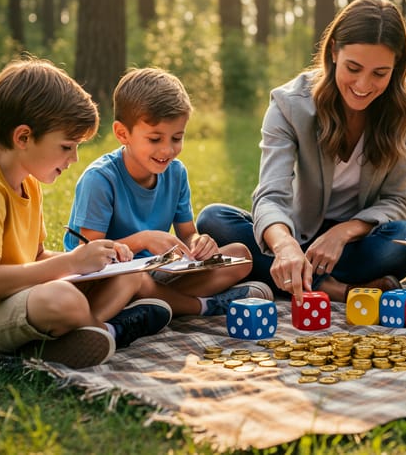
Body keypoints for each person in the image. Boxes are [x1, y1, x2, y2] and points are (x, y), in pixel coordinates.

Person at [0, 58, 172, 370]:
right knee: (62, 299)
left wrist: (94, 258)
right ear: (23, 137)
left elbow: (35, 256)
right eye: (67, 146)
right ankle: (109, 329)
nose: (75, 158)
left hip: (14, 299)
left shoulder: (27, 182)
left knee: (128, 273)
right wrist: (70, 263)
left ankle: (76, 336)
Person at [196, 0, 406, 303]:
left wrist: (342, 233)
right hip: (298, 234)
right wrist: (284, 245)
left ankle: (291, 278)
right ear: (333, 52)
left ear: (396, 67)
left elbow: (399, 199)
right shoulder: (290, 104)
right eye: (353, 68)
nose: (363, 84)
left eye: (379, 73)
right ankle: (337, 289)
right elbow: (270, 196)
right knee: (214, 220)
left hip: (358, 242)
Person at [64, 67, 272, 317]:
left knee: (241, 256)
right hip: (105, 279)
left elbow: (187, 235)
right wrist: (143, 239)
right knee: (136, 278)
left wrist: (200, 244)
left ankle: (154, 304)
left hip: (155, 273)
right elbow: (91, 252)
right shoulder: (100, 179)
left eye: (176, 138)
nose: (167, 150)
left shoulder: (176, 173)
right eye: (154, 139)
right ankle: (202, 306)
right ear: (122, 134)